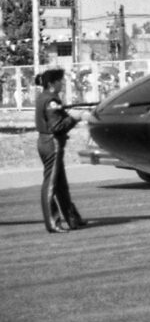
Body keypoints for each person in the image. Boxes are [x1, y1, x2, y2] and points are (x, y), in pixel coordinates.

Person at [35, 68, 89, 232]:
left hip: (47, 142)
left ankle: (73, 219)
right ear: (52, 83)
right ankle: (53, 223)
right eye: (60, 80)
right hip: (52, 143)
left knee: (61, 185)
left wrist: (69, 114)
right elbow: (57, 126)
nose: (63, 83)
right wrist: (74, 117)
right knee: (51, 184)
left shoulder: (45, 96)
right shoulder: (51, 99)